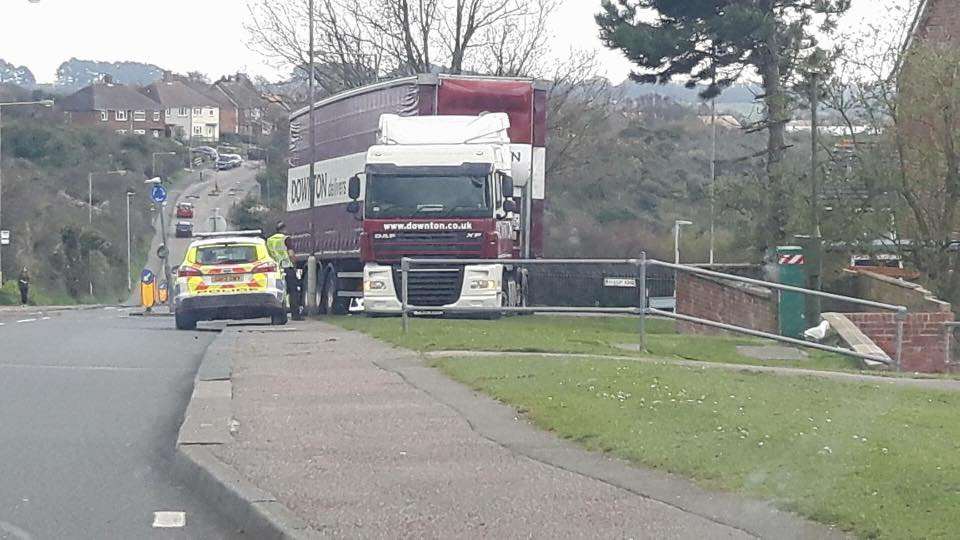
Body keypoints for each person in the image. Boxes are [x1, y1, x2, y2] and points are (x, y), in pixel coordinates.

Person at [267, 221, 303, 320]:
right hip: (287, 267)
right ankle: (295, 315)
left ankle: (277, 314)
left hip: (275, 269)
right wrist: (294, 264)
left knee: (279, 292)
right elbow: (291, 254)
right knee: (293, 292)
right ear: (284, 229)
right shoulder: (286, 239)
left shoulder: (269, 240)